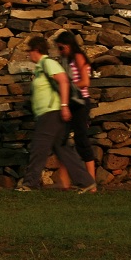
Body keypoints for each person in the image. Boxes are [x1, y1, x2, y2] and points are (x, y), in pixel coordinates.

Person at [16, 36, 96, 193]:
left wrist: (64, 106)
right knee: (63, 148)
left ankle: (30, 183)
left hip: (51, 112)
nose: (28, 54)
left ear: (36, 50)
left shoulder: (48, 63)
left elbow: (64, 82)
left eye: (29, 51)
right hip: (49, 112)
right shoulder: (40, 67)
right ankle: (86, 182)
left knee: (39, 147)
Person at [54, 31, 95, 190]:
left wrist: (67, 87)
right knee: (61, 140)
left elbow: (85, 82)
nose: (60, 51)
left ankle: (91, 183)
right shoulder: (66, 60)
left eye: (62, 48)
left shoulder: (78, 57)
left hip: (80, 103)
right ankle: (65, 183)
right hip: (70, 103)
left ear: (69, 45)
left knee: (81, 140)